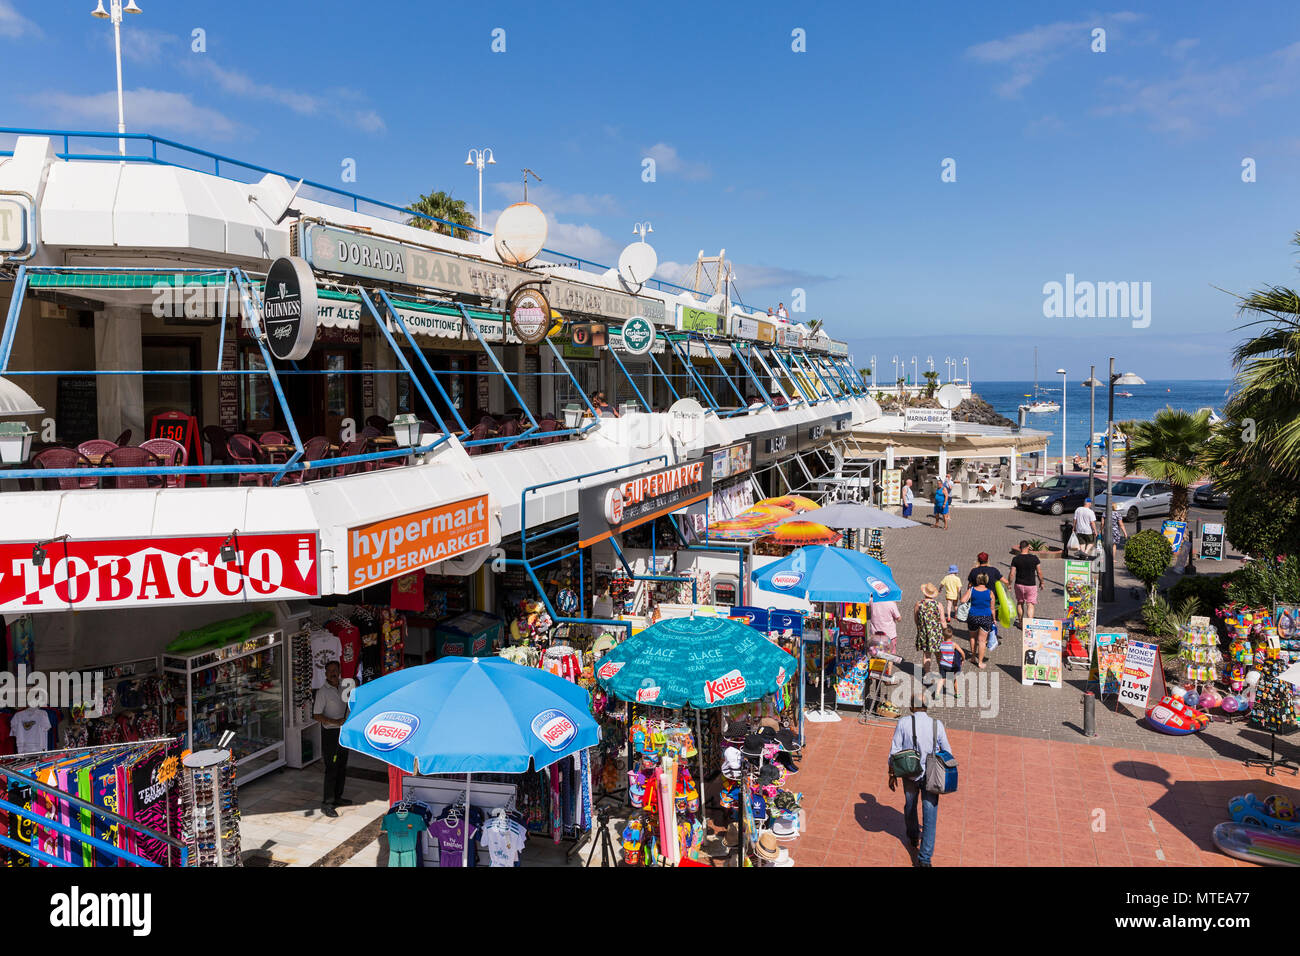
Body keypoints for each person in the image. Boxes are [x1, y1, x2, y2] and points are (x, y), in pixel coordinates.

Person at [887, 695, 952, 867]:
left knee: (910, 806)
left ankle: (913, 835)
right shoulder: (937, 725)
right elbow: (947, 751)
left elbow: (894, 751)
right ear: (927, 707)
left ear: (911, 707)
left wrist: (891, 774)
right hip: (931, 776)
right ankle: (924, 859)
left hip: (909, 773)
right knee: (930, 816)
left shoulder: (903, 723)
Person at [314, 660, 351, 816]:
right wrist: (335, 722)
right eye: (329, 671)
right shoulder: (322, 692)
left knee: (342, 766)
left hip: (344, 732)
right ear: (326, 674)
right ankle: (327, 803)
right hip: (331, 734)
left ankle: (338, 797)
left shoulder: (345, 685)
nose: (333, 673)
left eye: (335, 670)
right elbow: (317, 715)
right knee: (332, 768)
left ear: (339, 671)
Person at [959, 573, 995, 669]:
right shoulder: (990, 592)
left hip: (973, 616)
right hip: (986, 617)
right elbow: (992, 608)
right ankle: (980, 662)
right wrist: (994, 619)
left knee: (972, 637)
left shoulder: (971, 590)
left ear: (978, 580)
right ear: (986, 581)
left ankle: (973, 657)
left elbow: (962, 600)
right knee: (982, 641)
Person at [1008, 540, 1044, 628]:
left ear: (1020, 548)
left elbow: (1012, 573)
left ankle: (1020, 623)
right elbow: (1039, 572)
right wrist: (1041, 582)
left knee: (1020, 602)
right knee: (1030, 604)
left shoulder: (1016, 559)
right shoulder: (1034, 558)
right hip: (1031, 585)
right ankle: (1029, 625)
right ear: (1028, 547)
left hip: (1019, 584)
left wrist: (1009, 583)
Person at [914, 583, 948, 674]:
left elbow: (916, 619)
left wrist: (920, 627)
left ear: (925, 593)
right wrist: (946, 633)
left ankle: (927, 675)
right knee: (939, 654)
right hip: (937, 633)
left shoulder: (919, 604)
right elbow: (943, 621)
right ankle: (942, 672)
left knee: (926, 655)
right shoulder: (938, 604)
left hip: (924, 633)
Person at [935, 626, 966, 700]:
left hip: (943, 664)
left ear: (943, 636)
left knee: (942, 679)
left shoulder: (941, 644)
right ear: (952, 636)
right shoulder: (953, 644)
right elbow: (962, 652)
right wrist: (963, 659)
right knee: (954, 679)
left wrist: (939, 661)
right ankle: (956, 693)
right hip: (951, 665)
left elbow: (939, 654)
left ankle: (937, 693)